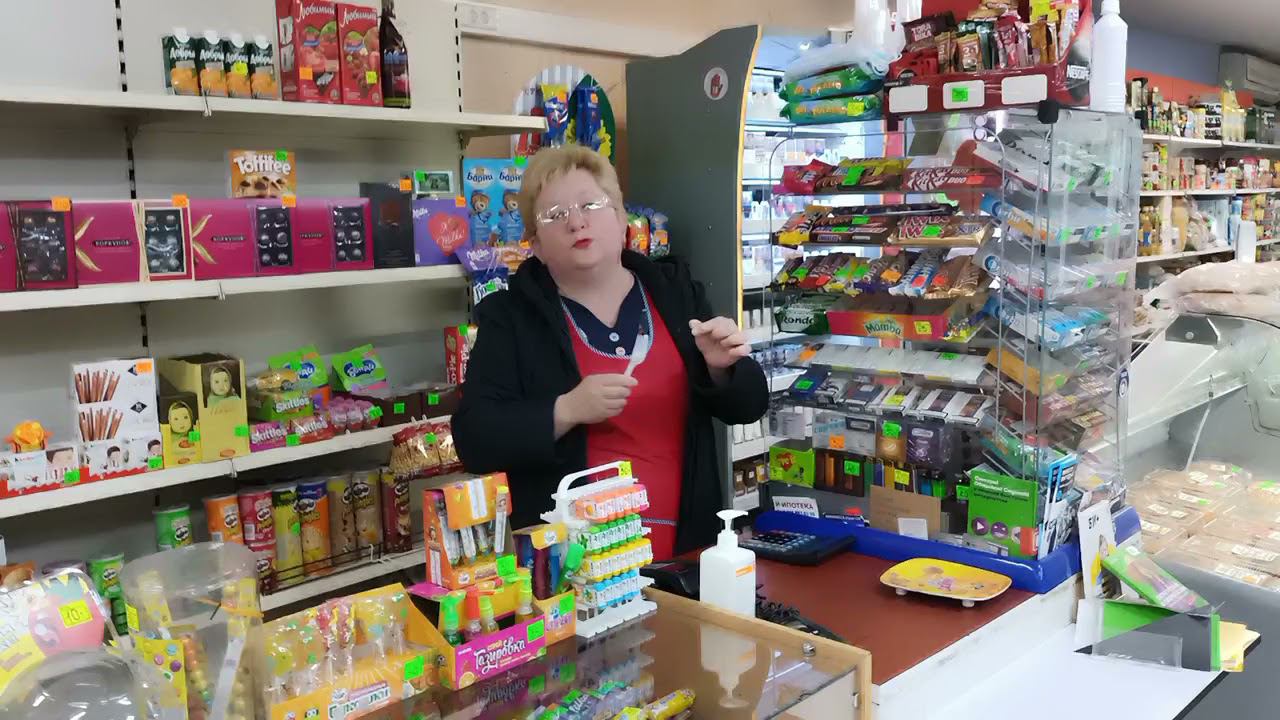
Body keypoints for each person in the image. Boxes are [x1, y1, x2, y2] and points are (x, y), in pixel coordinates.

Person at [453, 146, 769, 559]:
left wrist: (722, 371)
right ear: (536, 245)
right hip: (575, 569)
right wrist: (565, 410)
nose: (576, 222)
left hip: (685, 559)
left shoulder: (674, 294)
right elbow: (474, 439)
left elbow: (749, 406)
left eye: (590, 205)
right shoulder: (510, 318)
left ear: (621, 220)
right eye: (555, 215)